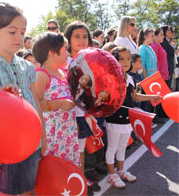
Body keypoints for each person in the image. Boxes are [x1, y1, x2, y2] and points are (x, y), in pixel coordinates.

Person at [0, 2, 47, 195]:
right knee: (9, 192)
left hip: (31, 141)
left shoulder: (28, 67)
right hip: (4, 146)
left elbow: (35, 101)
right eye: (12, 32)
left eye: (22, 32)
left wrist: (43, 136)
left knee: (30, 189)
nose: (20, 37)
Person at [105, 46, 162, 188]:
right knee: (112, 147)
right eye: (121, 59)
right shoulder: (110, 79)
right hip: (114, 119)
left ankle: (121, 171)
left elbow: (134, 96)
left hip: (128, 118)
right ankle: (111, 175)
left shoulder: (131, 79)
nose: (125, 62)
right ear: (113, 61)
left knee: (123, 146)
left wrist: (151, 96)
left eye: (128, 59)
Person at [64, 21, 102, 193]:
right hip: (66, 115)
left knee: (80, 150)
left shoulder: (92, 59)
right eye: (76, 37)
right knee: (68, 151)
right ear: (68, 40)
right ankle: (68, 182)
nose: (81, 40)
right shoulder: (63, 60)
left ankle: (81, 180)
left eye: (85, 36)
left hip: (84, 114)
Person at [32, 31, 80, 166]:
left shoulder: (62, 72)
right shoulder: (42, 75)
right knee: (55, 169)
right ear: (51, 53)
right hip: (53, 135)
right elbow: (36, 105)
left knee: (67, 167)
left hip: (67, 132)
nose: (68, 53)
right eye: (65, 49)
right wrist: (59, 103)